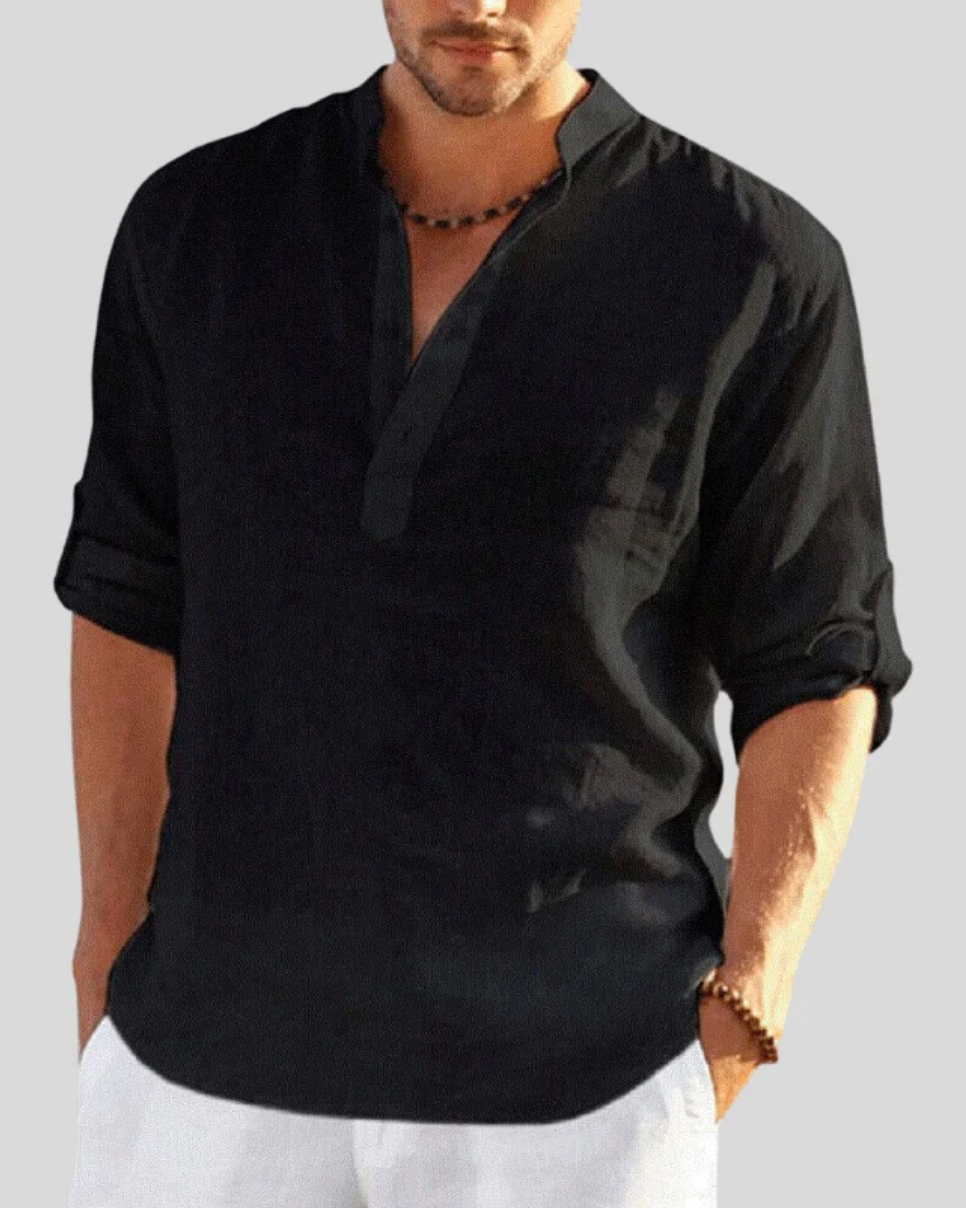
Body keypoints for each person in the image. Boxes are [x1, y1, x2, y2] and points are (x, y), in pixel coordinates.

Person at [57, 2, 913, 1206]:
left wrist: (750, 995)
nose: (482, 0)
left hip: (582, 1091)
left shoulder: (753, 264)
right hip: (197, 1081)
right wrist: (104, 951)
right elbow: (127, 591)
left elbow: (819, 654)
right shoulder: (198, 225)